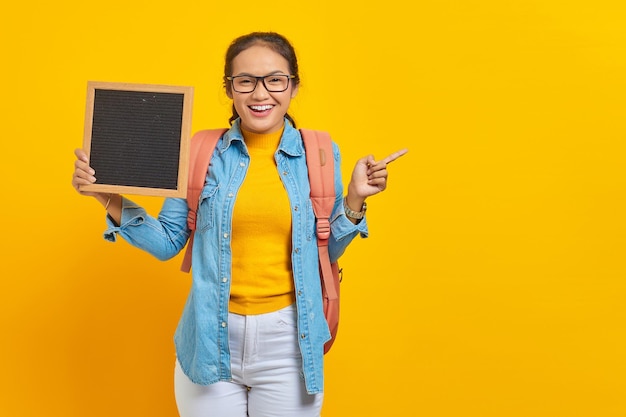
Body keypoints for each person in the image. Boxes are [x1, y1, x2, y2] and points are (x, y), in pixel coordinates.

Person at [72, 31, 407, 417]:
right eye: (245, 81)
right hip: (209, 338)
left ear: (293, 86)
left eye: (275, 80)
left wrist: (354, 200)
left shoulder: (319, 152)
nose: (260, 93)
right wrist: (107, 196)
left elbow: (324, 251)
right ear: (230, 89)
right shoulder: (200, 150)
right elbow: (166, 242)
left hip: (289, 342)